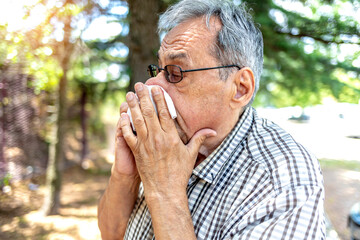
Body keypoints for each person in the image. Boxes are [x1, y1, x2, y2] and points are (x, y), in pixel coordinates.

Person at [97, 0, 325, 239]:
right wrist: (125, 176)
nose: (152, 84)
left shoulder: (282, 178)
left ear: (240, 89)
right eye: (159, 70)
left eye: (175, 73)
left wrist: (165, 190)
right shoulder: (161, 145)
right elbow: (110, 233)